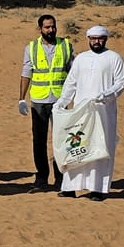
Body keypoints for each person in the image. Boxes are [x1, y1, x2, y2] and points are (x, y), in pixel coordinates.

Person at [57, 25, 124, 200]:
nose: (96, 41)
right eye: (93, 38)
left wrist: (106, 95)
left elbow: (120, 83)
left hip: (103, 111)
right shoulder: (81, 59)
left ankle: (98, 189)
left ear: (105, 39)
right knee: (76, 147)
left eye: (100, 38)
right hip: (81, 112)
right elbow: (71, 83)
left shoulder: (114, 58)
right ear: (88, 39)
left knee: (100, 147)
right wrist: (62, 102)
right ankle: (70, 188)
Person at [17, 13, 74, 190]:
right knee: (39, 140)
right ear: (40, 28)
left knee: (60, 140)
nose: (51, 30)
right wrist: (21, 98)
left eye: (53, 26)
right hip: (39, 100)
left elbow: (73, 73)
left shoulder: (66, 46)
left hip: (60, 100)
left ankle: (60, 177)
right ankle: (41, 177)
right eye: (47, 27)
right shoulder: (32, 48)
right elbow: (26, 73)